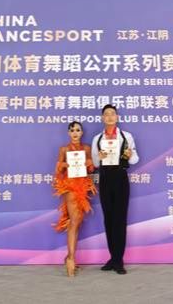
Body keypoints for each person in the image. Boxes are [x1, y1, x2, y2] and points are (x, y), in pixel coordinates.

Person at [91, 104, 139, 274]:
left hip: (120, 177)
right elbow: (95, 163)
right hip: (105, 178)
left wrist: (129, 155)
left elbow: (135, 159)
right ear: (102, 118)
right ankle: (112, 258)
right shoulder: (97, 139)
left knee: (120, 218)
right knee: (109, 219)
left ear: (117, 117)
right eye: (106, 114)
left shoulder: (126, 136)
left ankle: (119, 260)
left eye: (113, 113)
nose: (110, 116)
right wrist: (99, 157)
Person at [53, 120, 97, 276]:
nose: (75, 133)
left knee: (77, 221)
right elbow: (58, 170)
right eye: (72, 130)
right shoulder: (64, 149)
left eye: (78, 130)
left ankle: (70, 256)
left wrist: (89, 163)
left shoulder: (86, 148)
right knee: (74, 221)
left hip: (82, 188)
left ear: (82, 132)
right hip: (70, 187)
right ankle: (71, 259)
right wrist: (65, 165)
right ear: (68, 133)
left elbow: (91, 169)